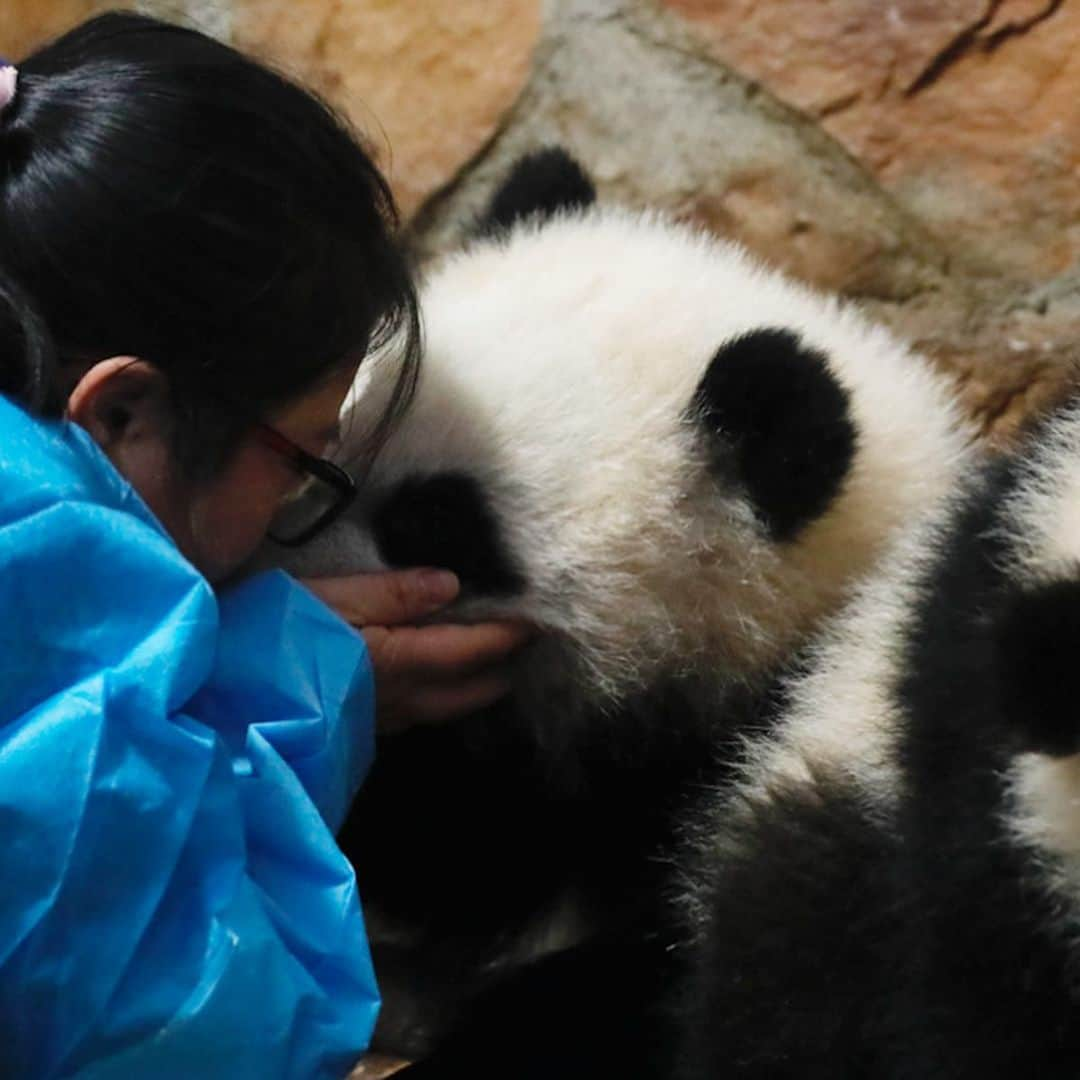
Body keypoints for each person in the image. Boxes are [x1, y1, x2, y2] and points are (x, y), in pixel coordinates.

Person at [0, 12, 527, 1078]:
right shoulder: (46, 576)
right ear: (122, 417)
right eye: (305, 462)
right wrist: (286, 691)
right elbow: (218, 1041)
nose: (306, 523)